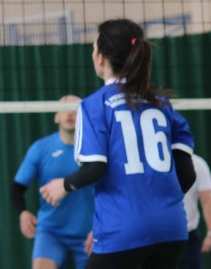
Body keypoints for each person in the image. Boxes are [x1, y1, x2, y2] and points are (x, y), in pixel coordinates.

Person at [39, 19, 197, 269]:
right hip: (172, 229)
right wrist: (160, 206)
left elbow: (95, 168)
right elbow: (187, 175)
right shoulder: (163, 104)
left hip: (123, 230)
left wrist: (64, 185)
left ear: (100, 58)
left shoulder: (94, 105)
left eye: (93, 48)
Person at [12, 95, 95, 269]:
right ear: (56, 116)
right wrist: (23, 214)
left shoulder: (96, 150)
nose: (69, 114)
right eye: (65, 109)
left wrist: (101, 228)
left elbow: (113, 191)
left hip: (90, 232)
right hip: (51, 231)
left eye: (75, 110)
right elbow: (17, 188)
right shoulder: (40, 148)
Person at [177, 154, 211, 269]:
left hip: (188, 238)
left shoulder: (198, 164)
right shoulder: (154, 166)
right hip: (160, 239)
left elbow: (207, 201)